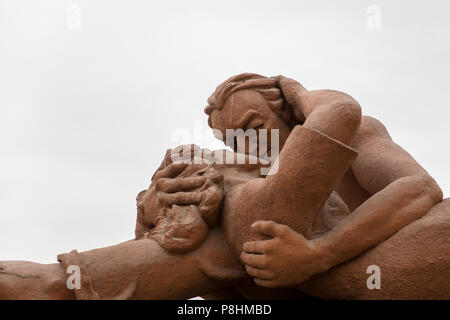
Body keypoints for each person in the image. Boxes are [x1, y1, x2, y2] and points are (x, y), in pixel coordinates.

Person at [1, 74, 448, 300]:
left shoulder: (354, 132)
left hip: (403, 255)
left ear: (288, 109)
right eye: (235, 141)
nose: (253, 146)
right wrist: (161, 199)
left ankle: (56, 286)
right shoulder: (262, 176)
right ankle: (54, 286)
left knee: (235, 230)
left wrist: (320, 254)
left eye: (256, 126)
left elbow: (418, 189)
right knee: (226, 235)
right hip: (299, 272)